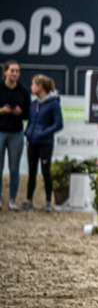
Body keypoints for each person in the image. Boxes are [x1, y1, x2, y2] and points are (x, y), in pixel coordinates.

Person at [23, 74, 63, 212]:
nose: (31, 87)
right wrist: (28, 132)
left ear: (40, 87)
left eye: (33, 84)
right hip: (32, 143)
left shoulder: (53, 104)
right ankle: (29, 201)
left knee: (46, 172)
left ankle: (47, 202)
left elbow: (58, 124)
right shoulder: (34, 104)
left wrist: (43, 133)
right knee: (31, 172)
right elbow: (31, 122)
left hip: (45, 143)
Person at [1, 60, 31, 211]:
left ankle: (12, 199)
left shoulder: (23, 92)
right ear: (5, 72)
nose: (15, 74)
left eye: (17, 71)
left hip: (16, 133)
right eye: (12, 71)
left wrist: (20, 113)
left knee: (14, 168)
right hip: (0, 131)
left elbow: (28, 115)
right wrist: (1, 111)